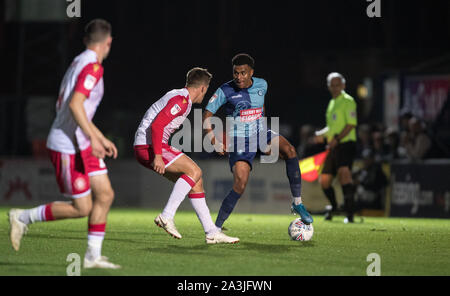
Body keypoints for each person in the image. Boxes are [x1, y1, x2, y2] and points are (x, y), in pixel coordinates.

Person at [8, 19, 120, 269]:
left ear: (85, 41)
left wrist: (99, 137)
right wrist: (93, 138)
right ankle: (22, 217)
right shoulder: (92, 67)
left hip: (81, 140)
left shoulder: (78, 61)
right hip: (68, 144)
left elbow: (76, 109)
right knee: (82, 207)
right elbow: (74, 105)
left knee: (105, 194)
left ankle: (93, 256)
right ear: (108, 42)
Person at [203, 53, 313, 231]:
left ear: (251, 72)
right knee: (240, 184)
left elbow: (261, 106)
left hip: (261, 133)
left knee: (290, 150)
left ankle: (297, 203)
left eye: (243, 73)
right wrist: (214, 140)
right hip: (239, 141)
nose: (239, 77)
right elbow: (207, 115)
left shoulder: (263, 84)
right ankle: (216, 227)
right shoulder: (225, 90)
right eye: (236, 73)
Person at [134, 67, 239, 244]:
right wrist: (158, 155)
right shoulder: (181, 100)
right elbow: (157, 126)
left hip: (148, 146)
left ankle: (212, 232)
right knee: (195, 170)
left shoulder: (182, 99)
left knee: (196, 182)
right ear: (203, 88)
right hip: (148, 146)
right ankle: (166, 216)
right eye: (207, 90)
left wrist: (214, 142)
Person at [314, 72, 358, 223]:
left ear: (343, 85)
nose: (335, 88)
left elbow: (351, 124)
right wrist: (321, 134)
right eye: (332, 85)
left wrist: (337, 139)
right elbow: (332, 127)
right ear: (328, 87)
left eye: (337, 84)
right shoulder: (332, 103)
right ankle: (335, 207)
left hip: (346, 143)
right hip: (333, 145)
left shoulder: (348, 101)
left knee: (344, 173)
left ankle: (350, 213)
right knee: (324, 180)